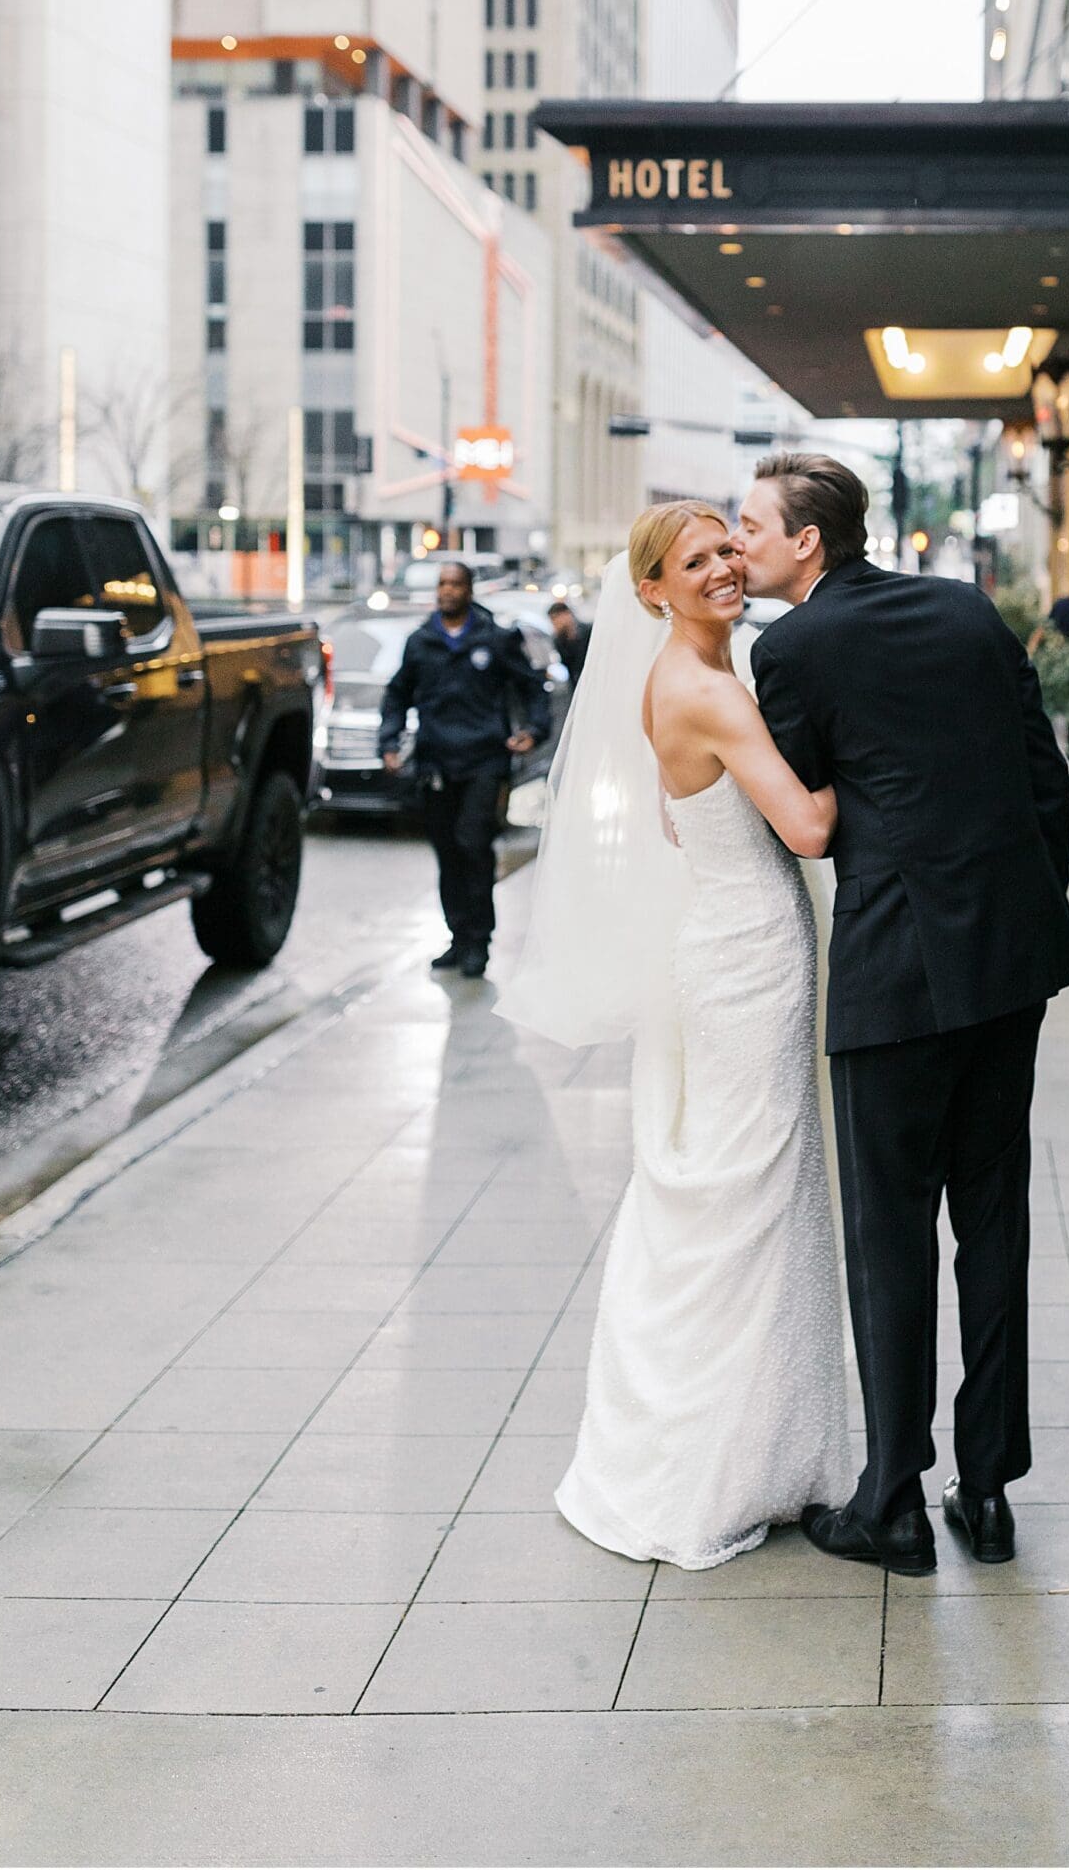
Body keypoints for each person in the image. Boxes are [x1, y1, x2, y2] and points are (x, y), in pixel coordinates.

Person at [737, 450, 1069, 1576]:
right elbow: (1048, 782)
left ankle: (890, 1501)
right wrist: (1020, 915)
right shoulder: (968, 611)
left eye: (752, 526)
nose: (740, 543)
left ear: (809, 539)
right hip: (1009, 961)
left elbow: (802, 809)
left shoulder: (790, 647)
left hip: (895, 973)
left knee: (889, 1235)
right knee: (992, 1220)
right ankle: (984, 1492)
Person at [507, 503, 850, 1569]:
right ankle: (722, 1459)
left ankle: (762, 1443)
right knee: (751, 1190)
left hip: (727, 939)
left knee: (742, 1184)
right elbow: (805, 827)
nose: (720, 570)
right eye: (693, 561)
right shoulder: (704, 685)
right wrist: (883, 756)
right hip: (750, 956)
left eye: (724, 551)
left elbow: (676, 815)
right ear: (652, 588)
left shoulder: (690, 674)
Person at [378, 561, 550, 979]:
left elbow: (532, 686)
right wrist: (389, 741)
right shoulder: (421, 642)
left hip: (484, 760)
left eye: (455, 583)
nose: (447, 590)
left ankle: (479, 941)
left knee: (473, 843)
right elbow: (397, 694)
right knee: (448, 852)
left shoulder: (495, 638)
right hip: (436, 763)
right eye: (442, 584)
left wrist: (534, 729)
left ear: (469, 590)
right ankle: (457, 937)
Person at [546, 597, 591, 686]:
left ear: (567, 615)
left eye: (556, 618)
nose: (555, 623)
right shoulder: (558, 640)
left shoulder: (588, 631)